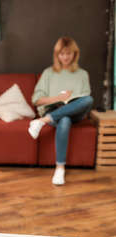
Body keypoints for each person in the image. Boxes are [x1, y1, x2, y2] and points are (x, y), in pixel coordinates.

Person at [28, 37, 93, 185]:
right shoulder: (48, 73)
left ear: (75, 54)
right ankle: (60, 168)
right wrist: (58, 97)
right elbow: (36, 100)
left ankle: (42, 121)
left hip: (75, 111)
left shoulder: (82, 74)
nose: (65, 57)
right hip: (55, 109)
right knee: (64, 120)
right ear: (57, 55)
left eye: (68, 53)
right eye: (62, 54)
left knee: (88, 99)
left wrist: (70, 99)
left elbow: (85, 99)